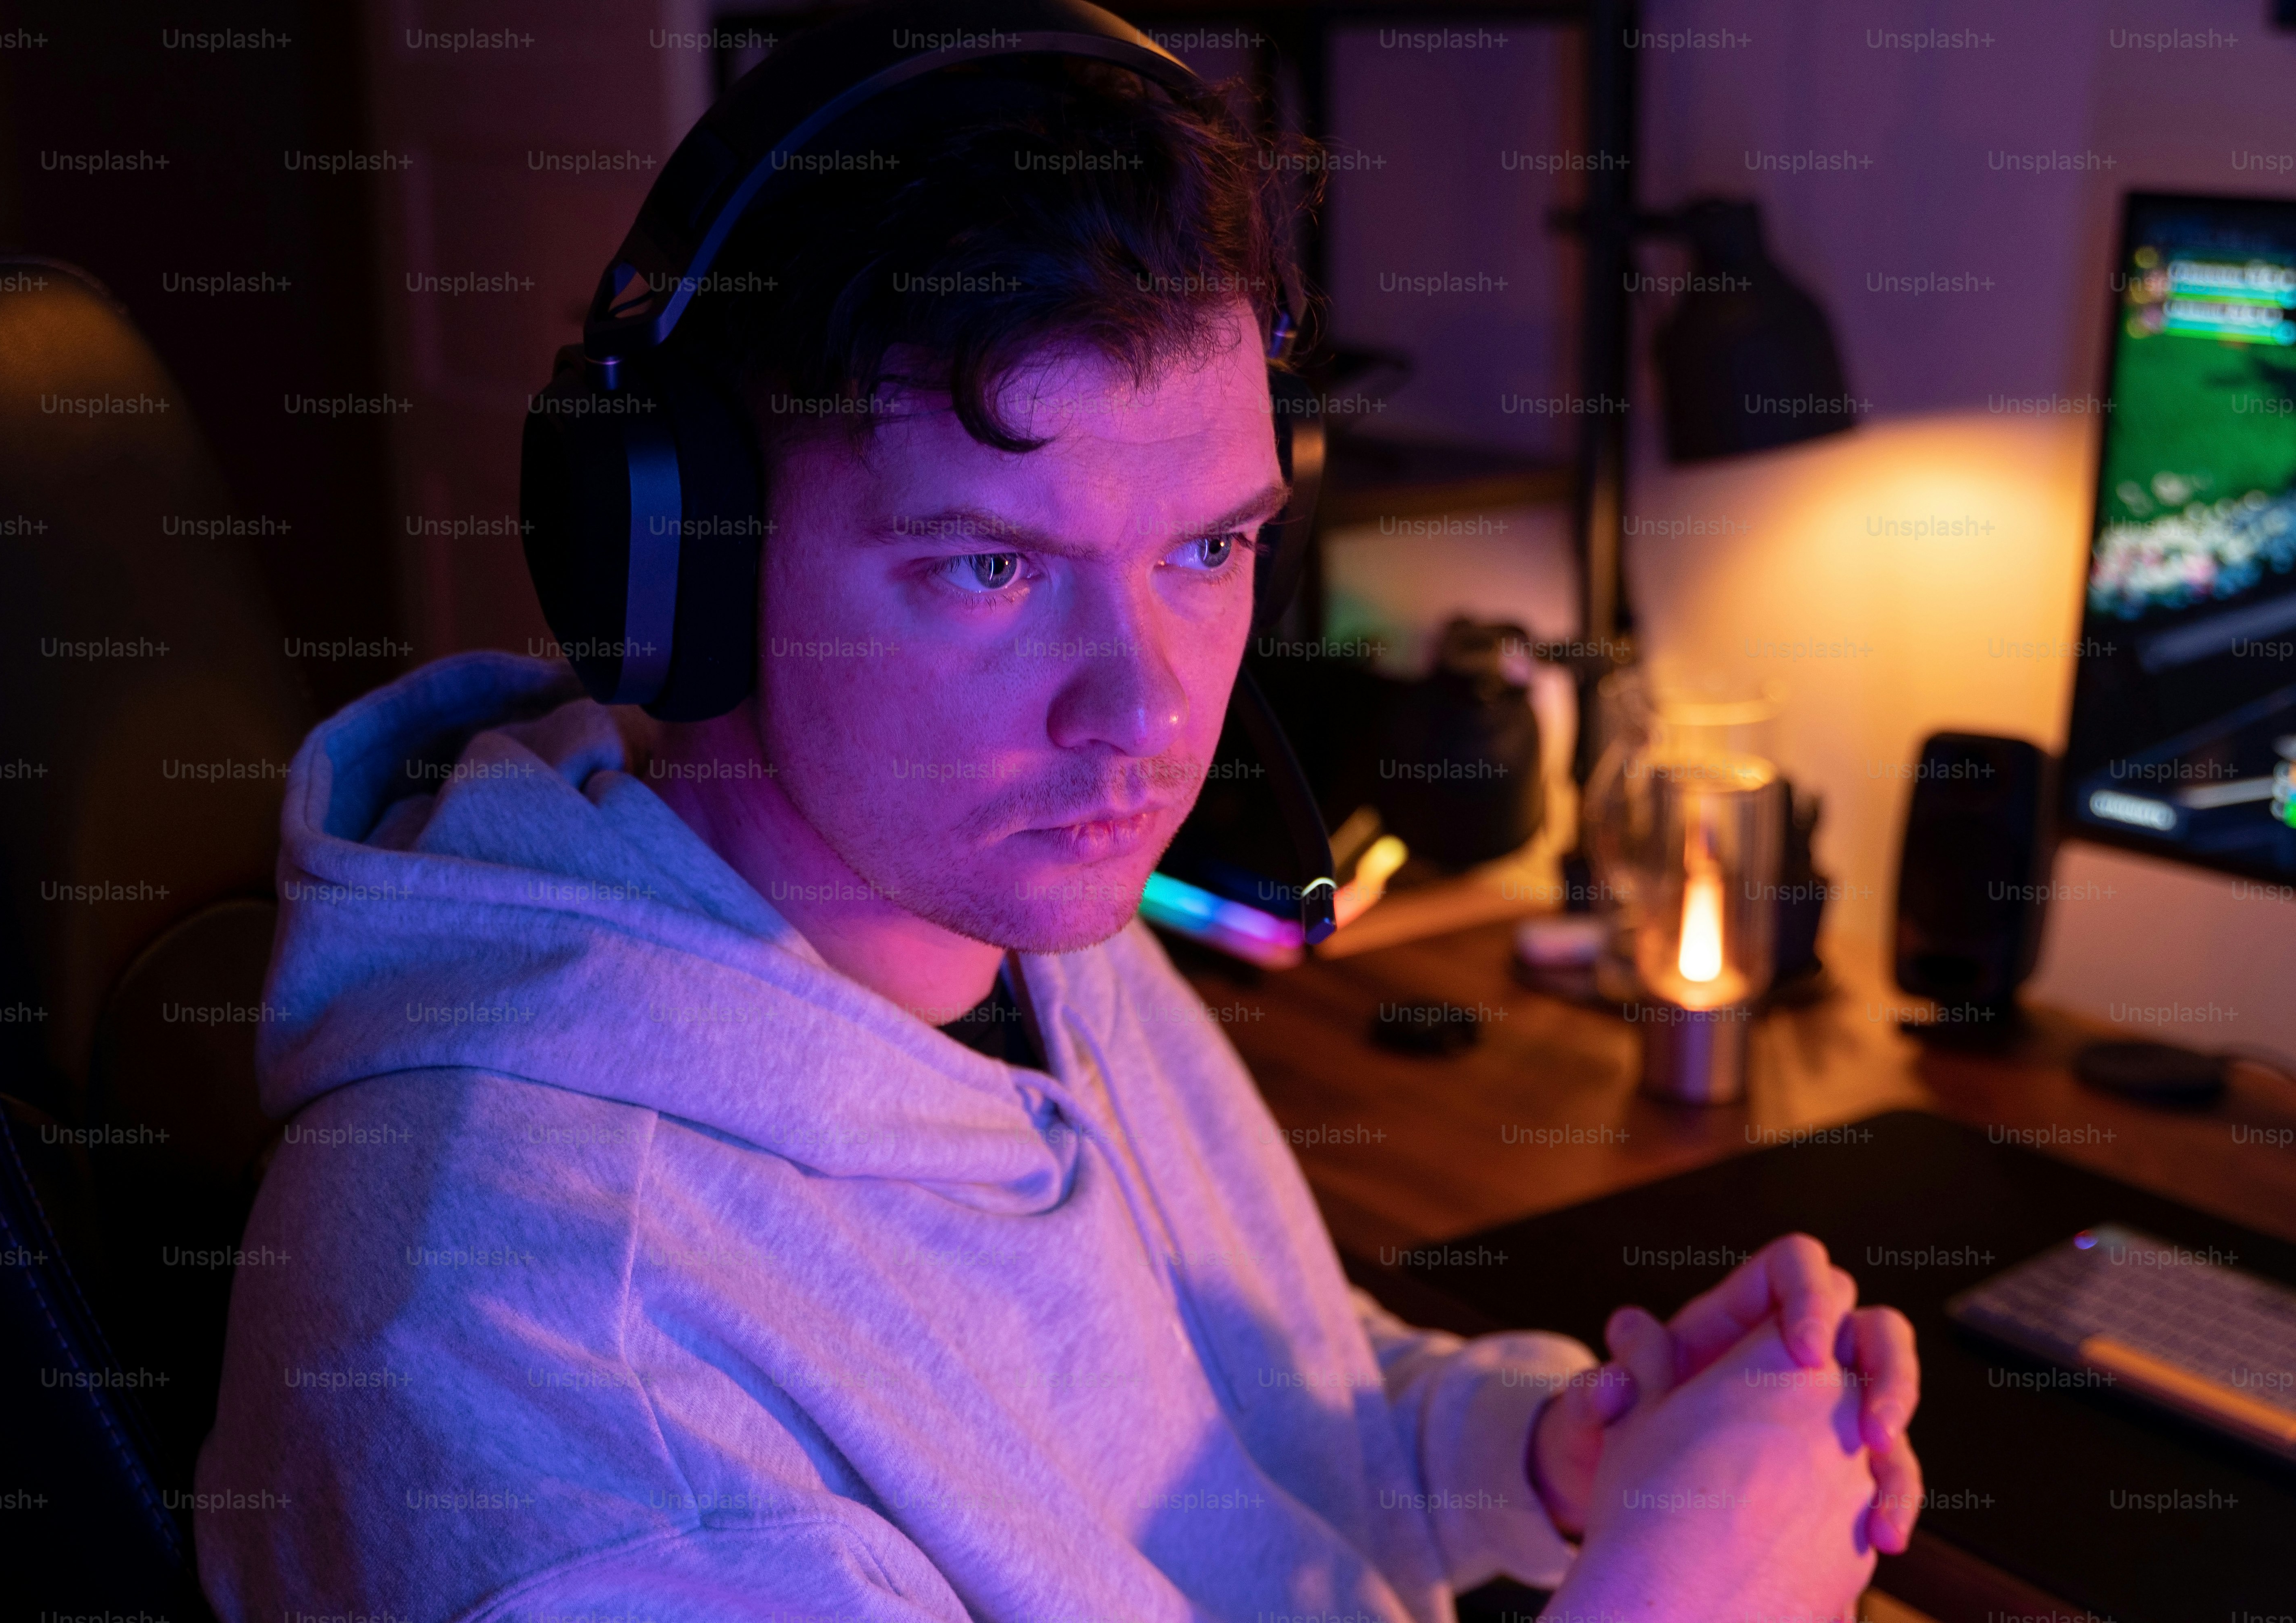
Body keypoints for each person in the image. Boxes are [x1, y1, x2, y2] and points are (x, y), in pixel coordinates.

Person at [198, 37, 1920, 1623]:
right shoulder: (553, 1363)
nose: (1148, 712)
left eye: (1208, 549)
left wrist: (1564, 1458)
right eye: (993, 566)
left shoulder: (1017, 920)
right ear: (679, 561)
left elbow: (1281, 1441)